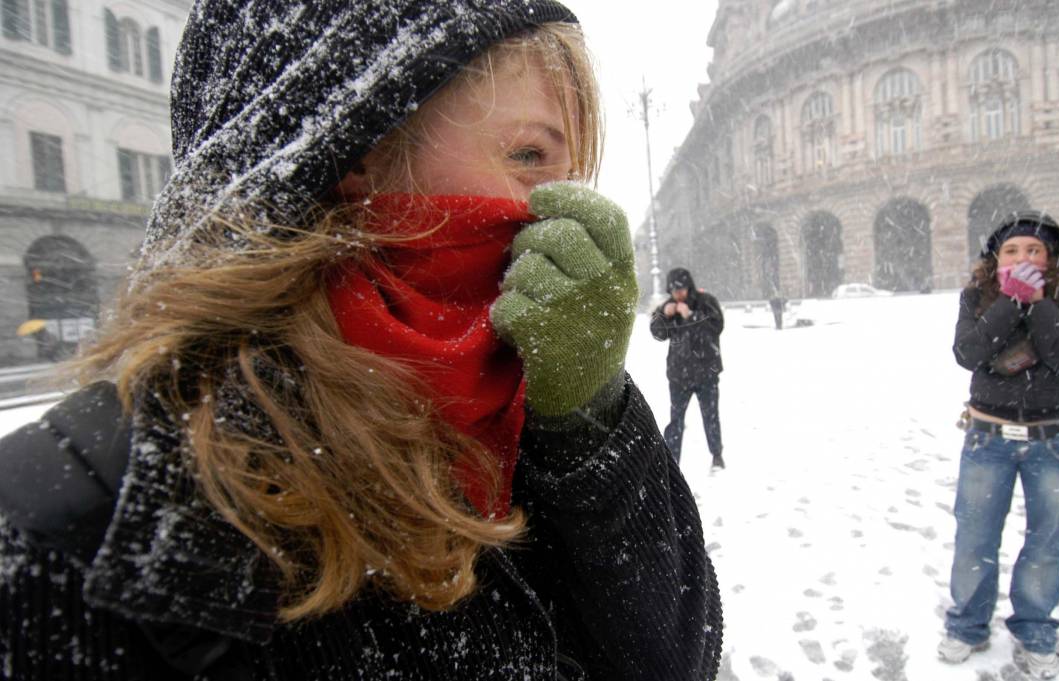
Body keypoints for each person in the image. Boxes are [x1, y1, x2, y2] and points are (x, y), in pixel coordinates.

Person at [0, 1, 723, 678]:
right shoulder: (66, 540)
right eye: (530, 157)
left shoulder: (524, 412)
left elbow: (674, 658)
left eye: (574, 175)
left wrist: (590, 416)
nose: (565, 215)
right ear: (355, 150)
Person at [939, 211, 1059, 679]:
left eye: (1033, 250)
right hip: (989, 437)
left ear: (1051, 258)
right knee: (975, 539)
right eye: (1012, 250)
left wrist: (1041, 303)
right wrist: (1009, 302)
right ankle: (967, 626)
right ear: (996, 258)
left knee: (1046, 543)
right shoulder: (978, 296)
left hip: (1054, 441)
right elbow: (968, 352)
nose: (1023, 257)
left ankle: (1036, 630)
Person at [650, 268, 726, 470]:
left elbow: (716, 328)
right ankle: (672, 462)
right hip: (678, 376)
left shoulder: (705, 301)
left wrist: (690, 316)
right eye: (674, 291)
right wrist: (662, 316)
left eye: (681, 289)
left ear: (688, 287)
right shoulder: (669, 306)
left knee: (710, 417)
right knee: (675, 422)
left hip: (706, 373)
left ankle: (717, 455)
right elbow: (657, 334)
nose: (678, 294)